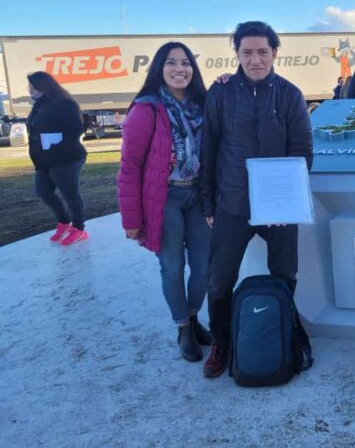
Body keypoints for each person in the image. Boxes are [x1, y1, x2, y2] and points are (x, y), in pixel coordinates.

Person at [200, 21, 313, 378]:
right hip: (232, 205)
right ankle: (222, 342)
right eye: (246, 52)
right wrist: (208, 204)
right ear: (237, 54)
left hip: (278, 208)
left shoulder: (291, 95)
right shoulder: (220, 93)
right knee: (218, 281)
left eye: (262, 51)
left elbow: (302, 153)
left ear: (275, 52)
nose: (255, 59)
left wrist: (288, 203)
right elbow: (209, 149)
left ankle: (280, 332)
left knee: (285, 274)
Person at [117, 42, 212, 363]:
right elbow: (129, 166)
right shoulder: (146, 109)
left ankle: (194, 314)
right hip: (165, 199)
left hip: (199, 196)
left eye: (186, 62)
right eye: (171, 63)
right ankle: (183, 326)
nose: (179, 69)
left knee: (203, 268)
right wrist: (131, 219)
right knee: (172, 267)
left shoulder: (205, 104)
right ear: (159, 68)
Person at [26, 71, 88, 246]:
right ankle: (64, 222)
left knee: (70, 193)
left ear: (43, 86)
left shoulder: (65, 104)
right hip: (44, 160)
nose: (29, 90)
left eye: (32, 87)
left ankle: (79, 229)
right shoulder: (39, 104)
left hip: (66, 158)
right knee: (43, 192)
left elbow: (76, 130)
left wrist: (56, 142)